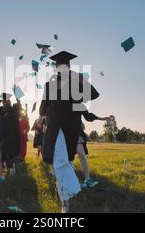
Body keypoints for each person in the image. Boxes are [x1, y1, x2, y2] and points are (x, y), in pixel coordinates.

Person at [39, 51, 100, 213]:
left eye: (64, 66)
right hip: (54, 128)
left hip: (71, 130)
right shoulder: (49, 86)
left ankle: (66, 199)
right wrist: (42, 120)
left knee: (66, 163)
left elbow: (94, 94)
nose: (61, 69)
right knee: (59, 161)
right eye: (59, 66)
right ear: (55, 69)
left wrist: (80, 78)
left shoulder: (76, 84)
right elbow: (43, 106)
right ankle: (68, 198)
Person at [0, 93, 21, 181]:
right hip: (1, 137)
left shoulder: (13, 109)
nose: (4, 103)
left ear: (9, 102)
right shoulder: (0, 111)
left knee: (10, 156)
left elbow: (19, 103)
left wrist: (16, 92)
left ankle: (12, 171)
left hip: (11, 138)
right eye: (3, 101)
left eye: (6, 101)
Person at [77, 111, 112, 188]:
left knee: (81, 154)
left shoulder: (76, 104)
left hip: (76, 131)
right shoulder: (62, 102)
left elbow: (88, 116)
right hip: (63, 131)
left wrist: (102, 118)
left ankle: (87, 180)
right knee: (67, 158)